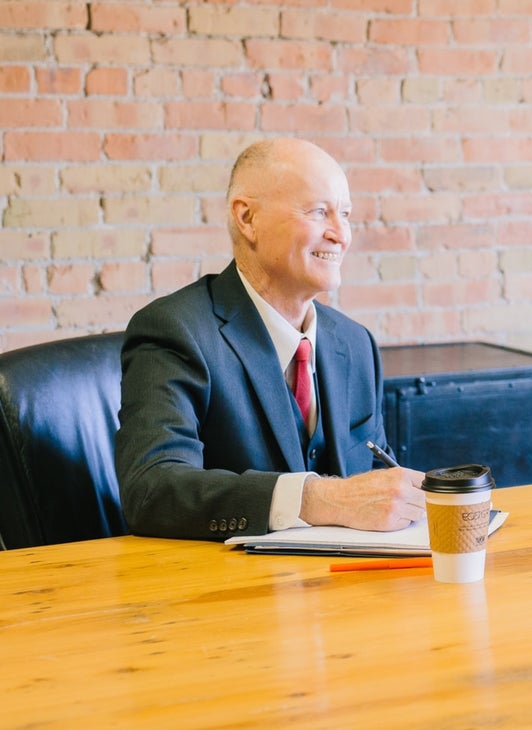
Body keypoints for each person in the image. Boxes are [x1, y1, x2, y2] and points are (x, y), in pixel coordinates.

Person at [116, 138, 425, 541]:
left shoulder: (355, 343)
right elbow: (151, 492)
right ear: (247, 218)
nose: (341, 235)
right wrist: (317, 499)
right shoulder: (175, 329)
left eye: (345, 214)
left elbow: (375, 484)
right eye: (318, 212)